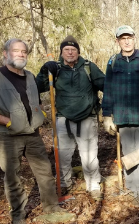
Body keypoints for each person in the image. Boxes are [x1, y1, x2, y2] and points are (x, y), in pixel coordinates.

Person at [0, 39, 67, 224]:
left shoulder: (29, 76)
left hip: (32, 133)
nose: (21, 54)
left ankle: (51, 208)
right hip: (7, 136)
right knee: (13, 176)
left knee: (44, 171)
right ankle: (18, 215)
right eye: (16, 51)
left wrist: (40, 112)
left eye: (24, 51)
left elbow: (34, 100)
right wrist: (8, 121)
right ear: (5, 54)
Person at [36, 35, 106, 200]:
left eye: (73, 49)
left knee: (89, 154)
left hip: (87, 118)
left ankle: (93, 185)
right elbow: (37, 87)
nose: (69, 52)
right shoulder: (56, 69)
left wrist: (108, 109)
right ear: (61, 52)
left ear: (78, 52)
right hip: (62, 119)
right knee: (63, 155)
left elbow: (106, 85)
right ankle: (64, 183)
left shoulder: (88, 67)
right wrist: (45, 71)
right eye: (66, 50)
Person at [101, 26, 139, 201]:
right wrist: (107, 115)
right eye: (122, 38)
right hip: (122, 117)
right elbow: (108, 89)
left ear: (134, 39)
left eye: (129, 38)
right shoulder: (112, 62)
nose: (126, 41)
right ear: (117, 41)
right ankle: (133, 191)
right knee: (129, 154)